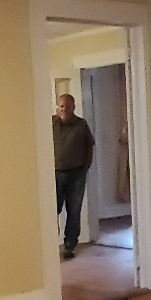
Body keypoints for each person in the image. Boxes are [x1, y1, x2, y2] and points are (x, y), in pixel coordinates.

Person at [52, 93, 94, 260]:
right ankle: (50, 244)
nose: (64, 109)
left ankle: (69, 246)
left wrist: (85, 168)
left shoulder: (82, 125)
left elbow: (89, 147)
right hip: (54, 174)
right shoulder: (50, 123)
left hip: (76, 174)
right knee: (51, 211)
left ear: (73, 107)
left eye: (67, 106)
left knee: (74, 211)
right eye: (61, 106)